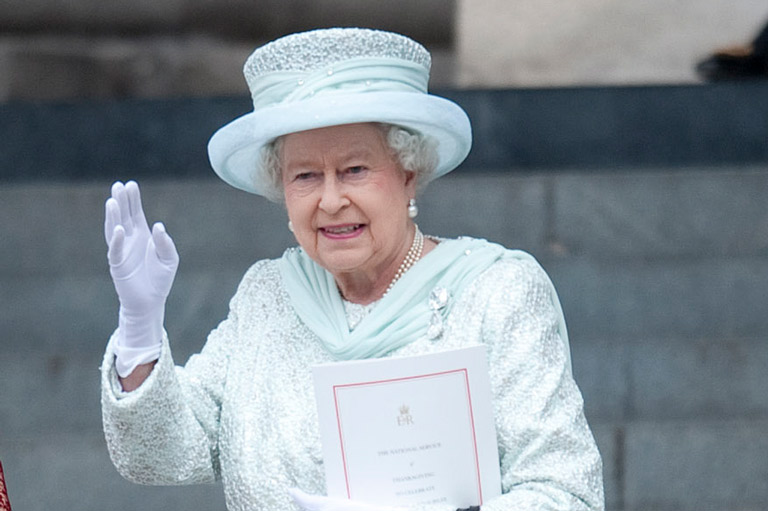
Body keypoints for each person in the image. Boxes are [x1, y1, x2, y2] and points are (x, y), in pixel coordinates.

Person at [101, 28, 604, 511]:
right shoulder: (268, 296)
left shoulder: (498, 293)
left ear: (409, 175)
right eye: (305, 176)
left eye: (355, 170)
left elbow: (565, 494)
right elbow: (166, 453)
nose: (331, 199)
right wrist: (140, 331)